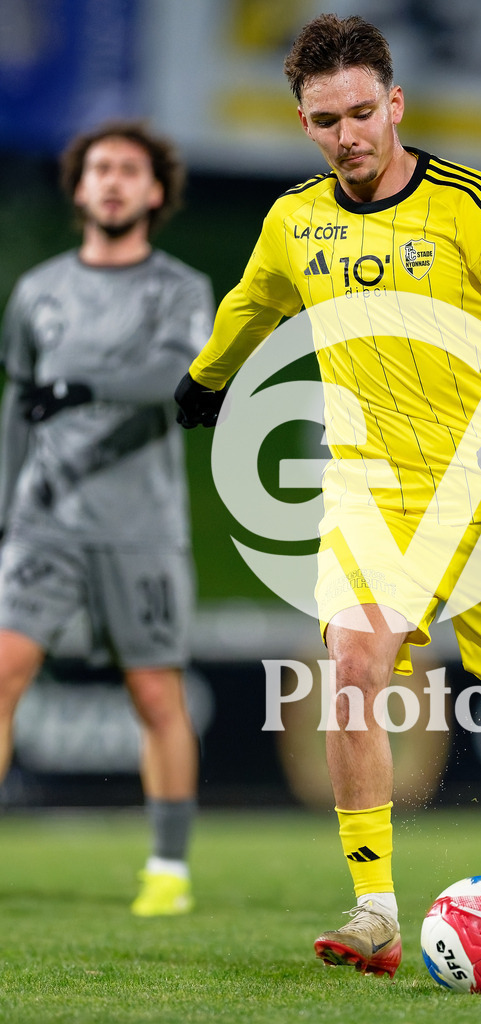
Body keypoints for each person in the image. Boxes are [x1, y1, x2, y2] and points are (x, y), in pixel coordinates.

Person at [175, 14, 481, 983]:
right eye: (326, 118)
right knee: (352, 668)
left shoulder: (474, 203)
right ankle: (376, 909)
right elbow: (253, 303)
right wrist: (207, 378)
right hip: (372, 498)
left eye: (363, 111)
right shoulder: (295, 221)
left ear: (397, 104)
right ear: (303, 123)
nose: (349, 134)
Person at [0, 120, 214, 916]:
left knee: (156, 694)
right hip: (43, 522)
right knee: (0, 676)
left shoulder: (182, 290)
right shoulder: (37, 294)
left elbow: (179, 377)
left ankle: (169, 867)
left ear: (156, 191)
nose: (114, 182)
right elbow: (18, 407)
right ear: (79, 187)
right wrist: (4, 504)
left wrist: (84, 386)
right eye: (100, 169)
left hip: (141, 527)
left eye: (130, 169)